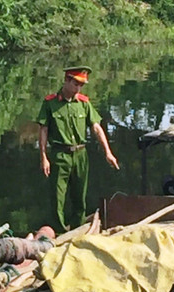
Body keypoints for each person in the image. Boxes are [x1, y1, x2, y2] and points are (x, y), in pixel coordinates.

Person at [37, 66, 119, 232]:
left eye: (81, 85)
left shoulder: (83, 103)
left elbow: (96, 127)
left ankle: (77, 230)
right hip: (60, 154)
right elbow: (43, 130)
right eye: (76, 84)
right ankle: (59, 231)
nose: (78, 88)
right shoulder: (50, 103)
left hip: (80, 154)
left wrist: (108, 153)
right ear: (66, 80)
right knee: (57, 196)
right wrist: (43, 157)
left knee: (80, 196)